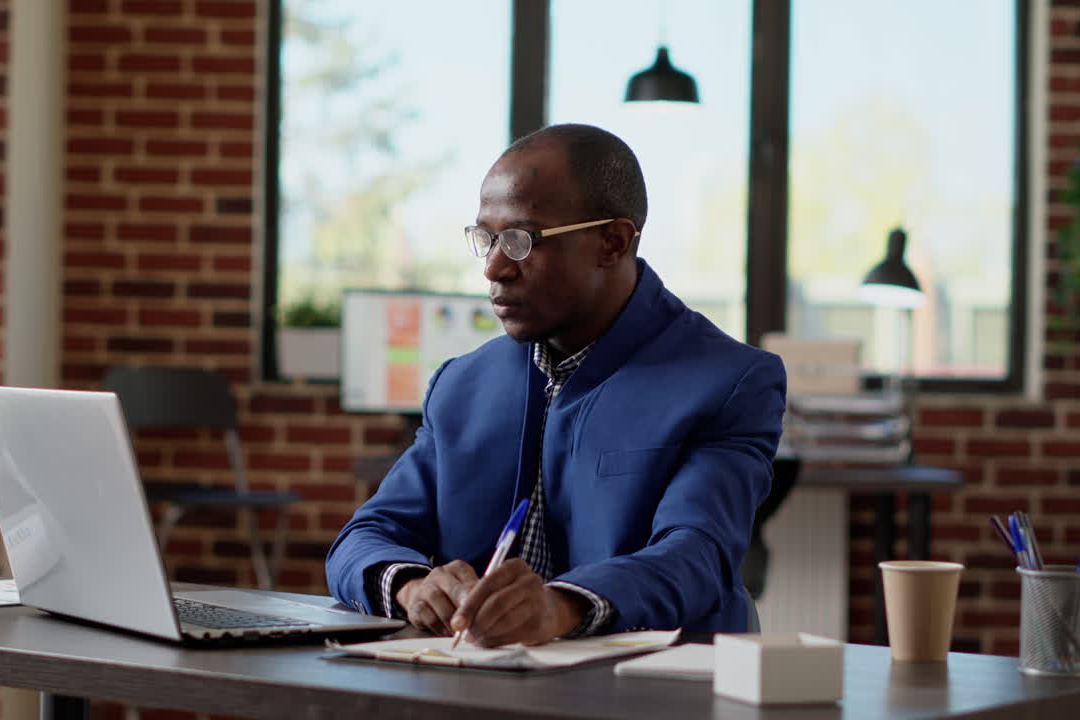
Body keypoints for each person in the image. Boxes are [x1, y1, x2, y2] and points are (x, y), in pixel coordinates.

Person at [326, 123, 786, 647]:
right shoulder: (461, 384)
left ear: (612, 242)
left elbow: (696, 554)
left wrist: (561, 606)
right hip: (480, 684)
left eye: (522, 241)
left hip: (652, 688)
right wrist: (410, 585)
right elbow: (363, 538)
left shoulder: (729, 381)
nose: (494, 268)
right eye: (486, 238)